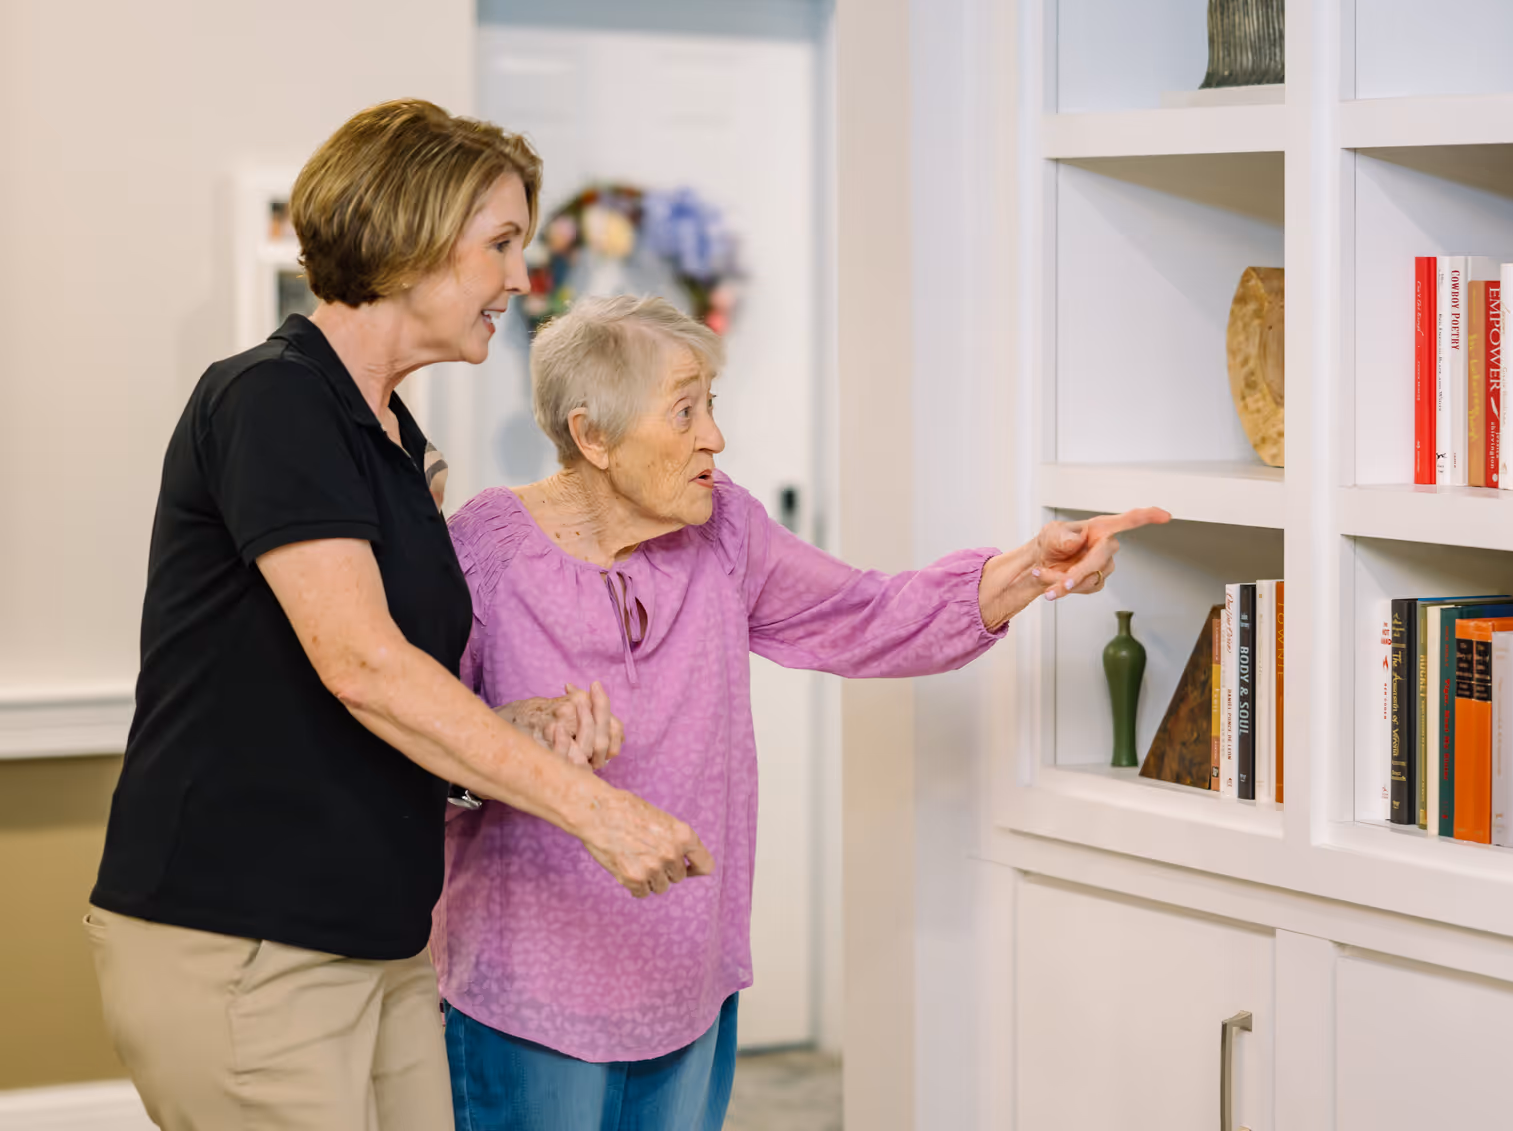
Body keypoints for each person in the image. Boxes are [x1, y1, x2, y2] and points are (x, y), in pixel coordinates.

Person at [86, 100, 703, 1131]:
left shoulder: (392, 438)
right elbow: (362, 665)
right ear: (410, 234)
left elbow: (349, 696)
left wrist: (508, 734)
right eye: (501, 243)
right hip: (248, 940)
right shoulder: (271, 399)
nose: (520, 277)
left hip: (378, 938)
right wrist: (592, 808)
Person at [434, 293, 1167, 1130]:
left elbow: (865, 616)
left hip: (686, 973)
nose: (715, 437)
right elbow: (414, 736)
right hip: (529, 986)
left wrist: (1030, 570)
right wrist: (514, 732)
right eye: (685, 412)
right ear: (593, 436)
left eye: (712, 406)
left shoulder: (725, 532)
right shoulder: (484, 553)